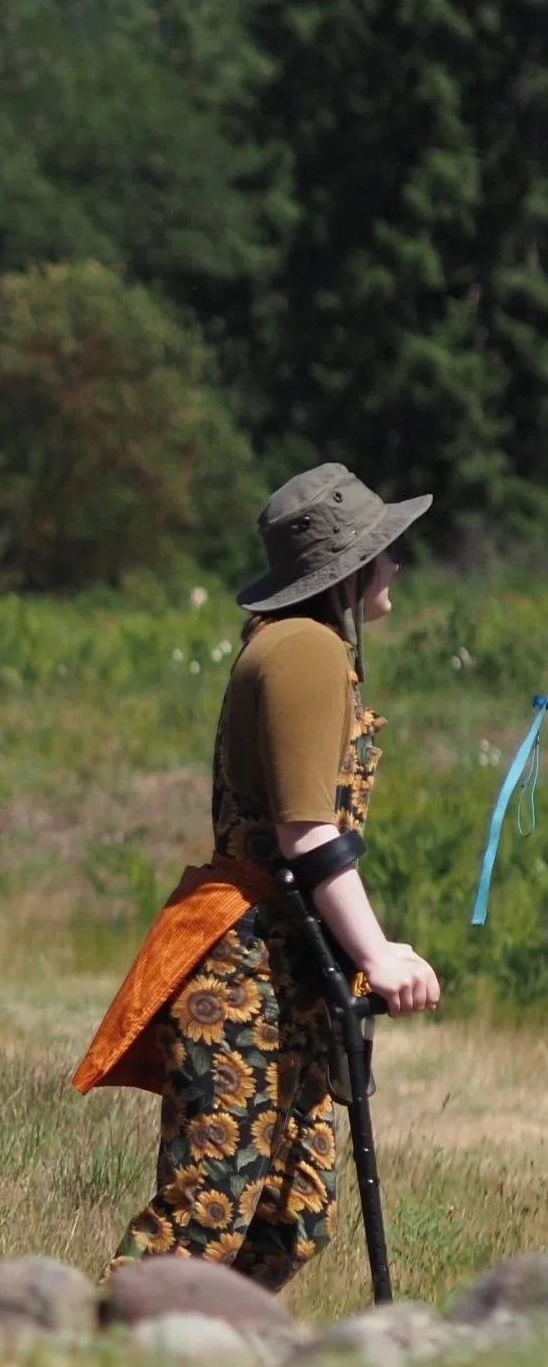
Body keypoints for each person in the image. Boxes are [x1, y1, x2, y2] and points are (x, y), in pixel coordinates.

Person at [77, 463, 441, 1286]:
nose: (396, 564)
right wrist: (377, 953)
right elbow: (307, 833)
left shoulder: (300, 643)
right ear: (349, 568)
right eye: (384, 550)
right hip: (244, 966)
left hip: (288, 960)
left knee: (290, 1215)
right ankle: (101, 1348)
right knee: (206, 1212)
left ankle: (207, 1346)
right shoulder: (306, 648)